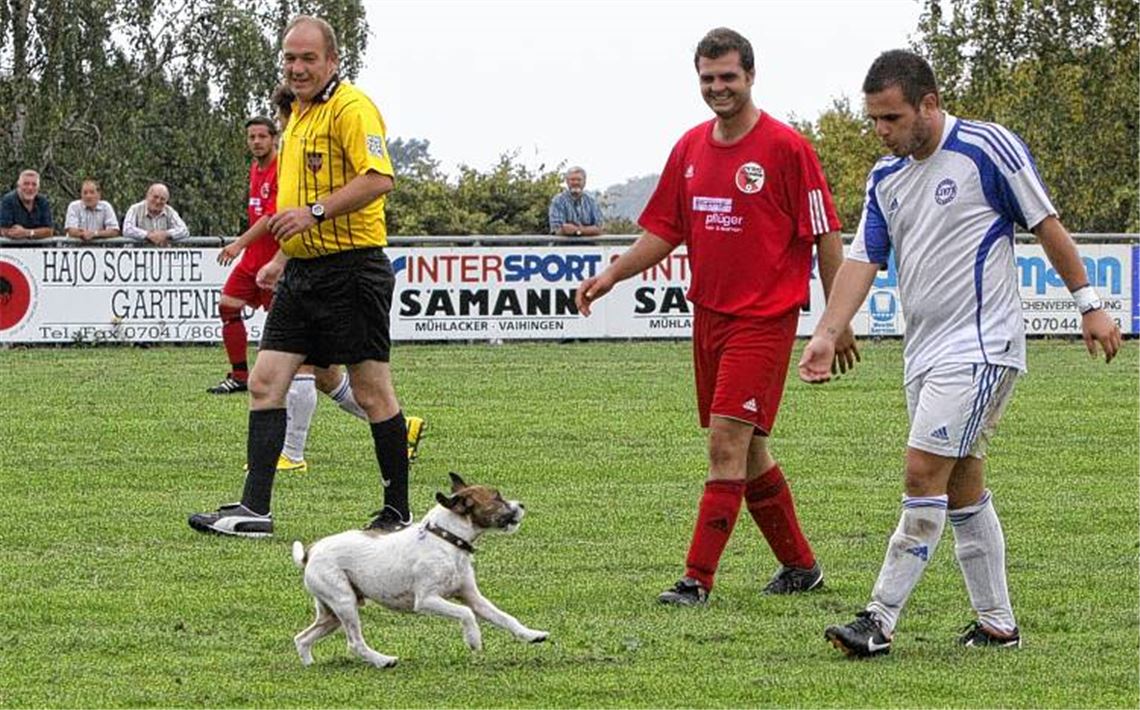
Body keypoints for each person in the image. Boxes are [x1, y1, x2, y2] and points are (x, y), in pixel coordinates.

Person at [799, 50, 1122, 658]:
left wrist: (1088, 301)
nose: (881, 131)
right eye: (874, 120)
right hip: (924, 353)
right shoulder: (883, 178)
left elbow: (1045, 222)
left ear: (929, 104)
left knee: (922, 472)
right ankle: (997, 624)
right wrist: (826, 329)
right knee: (963, 484)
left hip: (982, 346)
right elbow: (865, 259)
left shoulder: (986, 148)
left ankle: (879, 619)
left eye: (891, 118)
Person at [576, 28, 857, 605]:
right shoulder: (689, 148)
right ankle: (801, 568)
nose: (717, 87)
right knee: (748, 450)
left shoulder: (786, 149)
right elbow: (664, 231)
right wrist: (612, 275)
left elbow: (825, 234)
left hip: (764, 319)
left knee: (726, 446)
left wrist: (836, 319)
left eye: (728, 76)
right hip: (709, 318)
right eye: (708, 78)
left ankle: (696, 580)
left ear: (751, 76)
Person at [189, 14, 417, 537]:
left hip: (353, 269)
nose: (297, 68)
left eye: (308, 58)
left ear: (333, 61)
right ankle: (254, 511)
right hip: (304, 272)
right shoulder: (298, 115)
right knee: (266, 382)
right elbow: (290, 206)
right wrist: (283, 257)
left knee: (373, 391)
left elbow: (380, 178)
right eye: (290, 58)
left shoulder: (352, 108)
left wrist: (314, 213)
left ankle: (397, 513)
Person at [210, 113, 425, 471]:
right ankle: (401, 429)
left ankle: (292, 454)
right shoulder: (267, 163)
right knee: (321, 374)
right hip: (278, 264)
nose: (258, 141)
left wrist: (278, 257)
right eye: (253, 136)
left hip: (307, 267)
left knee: (309, 368)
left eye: (265, 134)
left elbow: (297, 215)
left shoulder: (306, 152)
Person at [121, 183, 189, 246]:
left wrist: (166, 234)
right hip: (136, 256)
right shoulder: (135, 209)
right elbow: (127, 229)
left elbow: (184, 230)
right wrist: (148, 235)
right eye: (155, 197)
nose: (158, 201)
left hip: (162, 256)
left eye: (162, 199)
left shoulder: (170, 211)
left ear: (166, 201)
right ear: (147, 196)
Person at [548, 166, 604, 236]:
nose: (576, 182)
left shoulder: (592, 202)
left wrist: (577, 231)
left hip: (588, 246)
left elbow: (599, 228)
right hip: (563, 246)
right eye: (572, 180)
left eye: (579, 180)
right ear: (567, 182)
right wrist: (588, 230)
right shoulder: (558, 201)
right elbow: (557, 229)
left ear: (584, 182)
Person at [0, 170, 54, 239]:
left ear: (38, 188)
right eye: (26, 184)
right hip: (11, 248)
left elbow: (49, 231)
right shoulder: (8, 200)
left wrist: (27, 232)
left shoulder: (43, 202)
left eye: (34, 184)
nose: (30, 188)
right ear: (18, 185)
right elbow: (4, 230)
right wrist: (38, 232)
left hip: (38, 248)